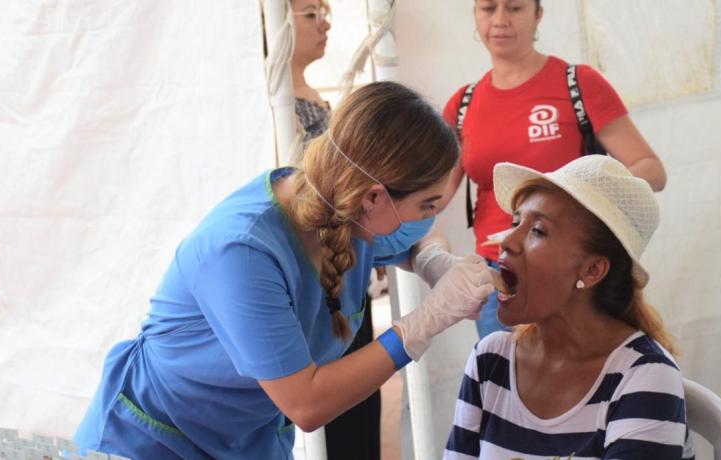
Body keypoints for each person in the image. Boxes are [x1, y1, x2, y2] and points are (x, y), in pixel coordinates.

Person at [74, 81, 495, 459]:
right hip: (155, 440)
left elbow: (418, 234)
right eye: (426, 202)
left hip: (245, 438)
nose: (429, 215)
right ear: (374, 198)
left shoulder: (344, 206)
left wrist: (433, 262)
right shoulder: (242, 252)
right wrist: (425, 321)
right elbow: (306, 403)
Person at [440, 0, 667, 339]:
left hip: (573, 272)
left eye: (515, 8)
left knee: (584, 384)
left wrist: (581, 193)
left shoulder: (577, 83)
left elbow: (651, 169)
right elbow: (433, 194)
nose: (500, 20)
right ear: (475, 16)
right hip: (500, 274)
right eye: (488, 8)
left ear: (538, 15)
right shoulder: (463, 104)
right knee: (508, 383)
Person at [443, 156, 693, 459]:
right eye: (515, 222)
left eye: (538, 230)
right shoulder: (490, 360)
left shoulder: (645, 376)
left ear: (591, 271)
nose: (506, 241)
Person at [289, 1, 383, 457]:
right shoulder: (270, 105)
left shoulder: (310, 96)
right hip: (312, 280)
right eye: (311, 14)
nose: (325, 23)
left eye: (325, 13)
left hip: (343, 269)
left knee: (361, 398)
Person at [290, 0, 332, 145]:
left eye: (322, 14)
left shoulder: (309, 95)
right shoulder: (277, 107)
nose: (326, 26)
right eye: (310, 15)